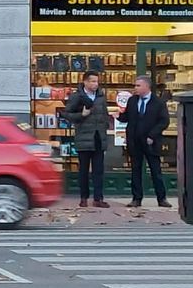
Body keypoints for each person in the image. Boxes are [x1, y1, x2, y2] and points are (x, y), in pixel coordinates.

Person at [63, 71, 113, 208]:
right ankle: (83, 197)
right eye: (92, 81)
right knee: (83, 170)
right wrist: (81, 115)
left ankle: (98, 198)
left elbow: (104, 113)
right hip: (84, 138)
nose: (95, 84)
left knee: (98, 170)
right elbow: (66, 114)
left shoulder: (101, 97)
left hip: (98, 138)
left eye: (97, 81)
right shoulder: (77, 96)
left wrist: (106, 126)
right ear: (85, 82)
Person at [121, 75, 171, 208]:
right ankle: (136, 198)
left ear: (146, 86)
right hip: (135, 141)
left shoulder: (158, 102)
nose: (135, 88)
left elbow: (164, 121)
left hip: (151, 142)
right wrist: (120, 116)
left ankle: (162, 198)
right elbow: (128, 117)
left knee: (155, 170)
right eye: (135, 85)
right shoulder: (132, 101)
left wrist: (152, 135)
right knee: (135, 170)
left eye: (138, 85)